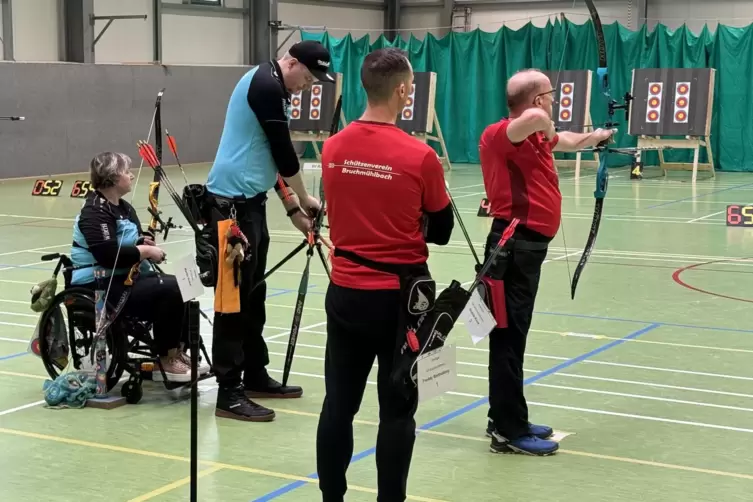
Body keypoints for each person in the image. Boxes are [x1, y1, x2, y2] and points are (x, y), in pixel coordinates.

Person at [316, 48, 454, 502]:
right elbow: (442, 231)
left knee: (338, 406)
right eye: (410, 86)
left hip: (346, 295)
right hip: (398, 303)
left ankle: (332, 497)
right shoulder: (421, 155)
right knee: (396, 411)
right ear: (401, 90)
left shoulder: (332, 148)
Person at [478, 69, 614, 456]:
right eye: (550, 95)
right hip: (511, 250)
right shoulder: (499, 134)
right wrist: (542, 114)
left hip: (526, 252)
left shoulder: (535, 134)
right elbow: (538, 120)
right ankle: (507, 430)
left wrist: (598, 137)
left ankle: (506, 417)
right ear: (537, 101)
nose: (553, 102)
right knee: (508, 338)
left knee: (513, 336)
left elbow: (564, 140)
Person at [203, 40, 335, 422]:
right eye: (307, 78)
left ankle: (254, 374)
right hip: (230, 208)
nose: (306, 87)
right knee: (233, 301)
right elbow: (282, 152)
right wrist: (306, 196)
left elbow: (264, 157)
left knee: (254, 296)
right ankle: (228, 392)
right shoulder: (264, 86)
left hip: (251, 204)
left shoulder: (273, 85)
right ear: (290, 62)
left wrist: (292, 206)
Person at [70, 152, 210, 381]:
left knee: (188, 282)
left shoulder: (123, 207)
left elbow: (125, 242)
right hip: (98, 284)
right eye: (126, 171)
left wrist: (141, 243)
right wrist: (145, 252)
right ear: (113, 177)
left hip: (124, 277)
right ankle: (166, 359)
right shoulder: (94, 211)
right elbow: (107, 254)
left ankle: (177, 351)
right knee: (172, 288)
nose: (132, 176)